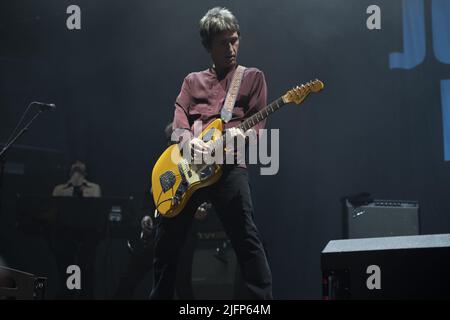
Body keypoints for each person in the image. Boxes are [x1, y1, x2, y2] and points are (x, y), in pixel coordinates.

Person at [150, 7, 272, 299]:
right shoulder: (192, 81)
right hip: (189, 170)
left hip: (229, 166)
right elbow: (179, 114)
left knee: (247, 240)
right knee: (167, 241)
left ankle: (261, 302)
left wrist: (241, 137)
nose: (231, 48)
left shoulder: (253, 78)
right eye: (223, 42)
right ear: (209, 46)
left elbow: (259, 127)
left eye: (235, 39)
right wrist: (187, 140)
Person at [49, 160, 101, 299]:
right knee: (65, 277)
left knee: (86, 278)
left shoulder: (94, 188)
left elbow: (95, 212)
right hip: (64, 240)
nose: (77, 164)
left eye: (81, 163)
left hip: (86, 241)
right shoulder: (59, 189)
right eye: (74, 163)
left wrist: (80, 187)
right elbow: (54, 213)